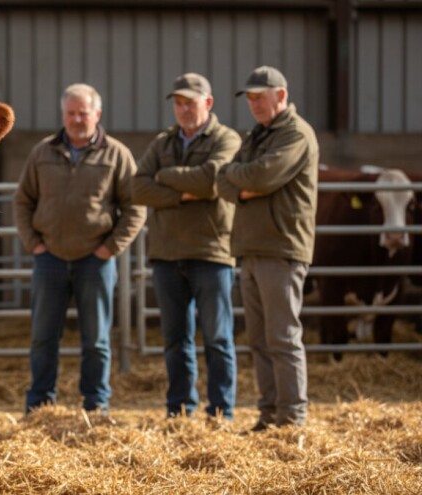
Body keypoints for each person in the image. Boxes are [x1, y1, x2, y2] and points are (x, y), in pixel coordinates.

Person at [14, 83, 146, 414]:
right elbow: (22, 201)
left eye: (83, 113)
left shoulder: (116, 154)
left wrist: (110, 248)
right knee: (43, 337)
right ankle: (40, 403)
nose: (76, 119)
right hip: (50, 259)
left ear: (97, 114)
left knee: (97, 340)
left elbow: (136, 206)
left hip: (95, 259)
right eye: (70, 113)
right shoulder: (42, 152)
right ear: (63, 114)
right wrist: (34, 244)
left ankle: (95, 404)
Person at [132, 73, 241, 420]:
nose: (183, 110)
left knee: (217, 338)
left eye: (189, 103)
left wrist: (164, 178)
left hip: (212, 251)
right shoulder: (162, 142)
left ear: (208, 103)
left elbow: (213, 179)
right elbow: (137, 188)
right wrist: (183, 191)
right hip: (166, 254)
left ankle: (221, 412)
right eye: (178, 103)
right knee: (175, 339)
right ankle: (179, 410)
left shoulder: (227, 138)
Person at [216, 65, 319, 430]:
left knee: (283, 337)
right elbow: (222, 181)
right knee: (259, 339)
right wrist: (242, 182)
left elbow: (261, 176)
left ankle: (291, 418)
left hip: (281, 247)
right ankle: (268, 415)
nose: (254, 104)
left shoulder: (295, 134)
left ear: (282, 95)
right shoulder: (258, 135)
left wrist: (243, 180)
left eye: (261, 97)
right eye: (250, 98)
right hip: (253, 247)